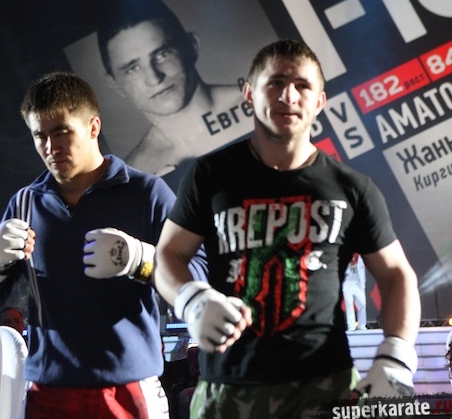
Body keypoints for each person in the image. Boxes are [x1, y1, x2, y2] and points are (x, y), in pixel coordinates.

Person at [153, 39, 421, 418]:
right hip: (228, 389)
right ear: (249, 93)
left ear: (320, 101)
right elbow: (168, 254)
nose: (288, 96)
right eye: (275, 83)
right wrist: (191, 299)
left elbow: (396, 275)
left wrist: (396, 356)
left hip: (325, 387)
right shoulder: (210, 175)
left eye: (302, 85)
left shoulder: (351, 188)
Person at [0, 71, 206, 418]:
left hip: (127, 387)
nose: (51, 148)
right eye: (40, 136)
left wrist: (139, 259)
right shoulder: (25, 203)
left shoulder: (146, 193)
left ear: (93, 127)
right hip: (49, 389)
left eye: (61, 132)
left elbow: (197, 275)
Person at [96, 0, 250, 182]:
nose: (154, 78)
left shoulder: (264, 105)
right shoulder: (133, 176)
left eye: (162, 54)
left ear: (192, 46)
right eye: (133, 68)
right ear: (115, 84)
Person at [343, 253, 368, 331]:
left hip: (358, 284)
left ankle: (362, 325)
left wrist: (363, 284)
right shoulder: (345, 258)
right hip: (347, 284)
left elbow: (363, 272)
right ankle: (351, 326)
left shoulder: (360, 259)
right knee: (349, 305)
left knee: (362, 303)